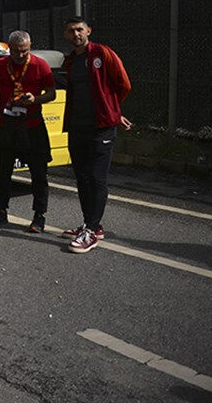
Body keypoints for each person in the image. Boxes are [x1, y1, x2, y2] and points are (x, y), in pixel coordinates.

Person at [61, 17, 132, 254]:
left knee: (96, 177)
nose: (76, 34)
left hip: (101, 128)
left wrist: (112, 111)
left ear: (88, 31)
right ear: (66, 35)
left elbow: (123, 84)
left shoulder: (102, 52)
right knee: (81, 177)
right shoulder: (70, 60)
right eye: (71, 31)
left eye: (80, 29)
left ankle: (90, 231)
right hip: (77, 126)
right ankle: (90, 223)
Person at [0, 31, 56, 232]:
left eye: (24, 51)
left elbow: (51, 94)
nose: (20, 55)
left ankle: (39, 215)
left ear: (29, 48)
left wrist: (35, 99)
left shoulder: (40, 65)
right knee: (3, 171)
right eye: (16, 51)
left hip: (32, 126)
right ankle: (0, 211)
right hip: (7, 125)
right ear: (9, 49)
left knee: (39, 173)